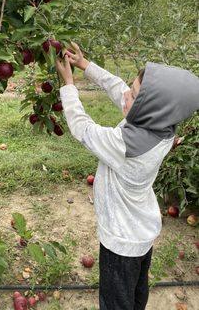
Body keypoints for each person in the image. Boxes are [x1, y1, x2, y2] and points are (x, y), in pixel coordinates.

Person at [55, 43, 199, 310]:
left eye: (134, 96)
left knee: (115, 303)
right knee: (136, 292)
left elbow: (82, 128)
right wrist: (86, 65)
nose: (125, 97)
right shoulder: (163, 126)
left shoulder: (126, 146)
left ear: (149, 107)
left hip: (120, 241)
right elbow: (117, 87)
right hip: (141, 230)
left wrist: (68, 84)